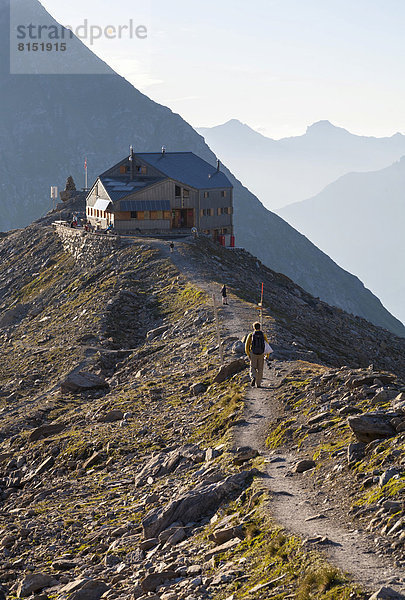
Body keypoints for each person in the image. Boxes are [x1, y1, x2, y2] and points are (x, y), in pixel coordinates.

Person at [245, 322, 270, 388]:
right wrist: (267, 355)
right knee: (260, 369)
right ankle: (258, 384)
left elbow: (246, 346)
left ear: (253, 327)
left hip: (253, 353)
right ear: (260, 327)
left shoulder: (251, 335)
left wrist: (249, 354)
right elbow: (267, 345)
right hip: (261, 354)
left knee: (253, 367)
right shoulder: (263, 335)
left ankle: (253, 377)